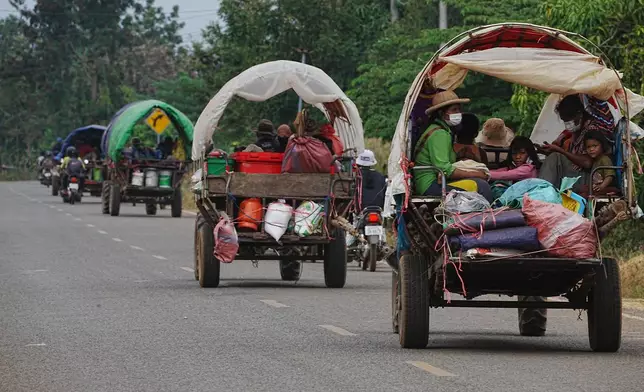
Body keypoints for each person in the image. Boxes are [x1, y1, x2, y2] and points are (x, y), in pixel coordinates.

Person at [413, 90, 493, 202]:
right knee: (481, 186)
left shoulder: (441, 131)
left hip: (436, 181)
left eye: (459, 109)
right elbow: (444, 169)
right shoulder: (439, 134)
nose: (458, 113)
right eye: (454, 110)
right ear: (442, 113)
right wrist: (477, 173)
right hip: (431, 185)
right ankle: (484, 219)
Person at [538, 94, 615, 192]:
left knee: (555, 157)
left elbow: (587, 163)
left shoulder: (591, 129)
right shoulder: (575, 132)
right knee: (551, 158)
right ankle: (545, 193)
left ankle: (542, 194)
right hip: (576, 174)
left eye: (569, 120)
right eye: (564, 121)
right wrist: (546, 151)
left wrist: (559, 150)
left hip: (589, 177)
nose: (568, 124)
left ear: (579, 113)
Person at [579, 130, 618, 197]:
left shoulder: (605, 159)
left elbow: (609, 176)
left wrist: (602, 186)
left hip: (606, 189)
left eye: (595, 146)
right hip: (597, 189)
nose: (591, 149)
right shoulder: (595, 161)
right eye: (588, 147)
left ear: (602, 145)